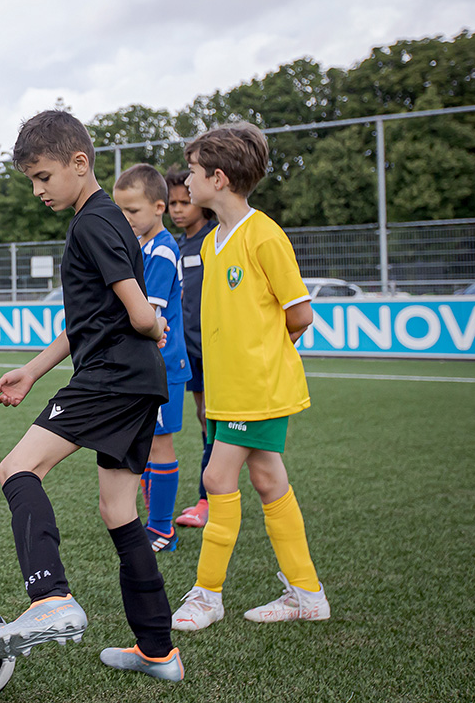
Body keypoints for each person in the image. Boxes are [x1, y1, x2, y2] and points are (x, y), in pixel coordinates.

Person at [0, 111, 183, 683]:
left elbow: (140, 312)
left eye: (44, 176)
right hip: (140, 383)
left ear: (78, 163)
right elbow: (94, 316)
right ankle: (158, 651)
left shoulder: (90, 224)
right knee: (119, 509)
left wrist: (149, 323)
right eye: (32, 181)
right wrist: (35, 370)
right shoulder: (111, 220)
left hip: (112, 376)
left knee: (18, 467)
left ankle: (51, 597)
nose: (39, 190)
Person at [171, 122, 330, 632]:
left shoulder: (263, 235)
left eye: (193, 173)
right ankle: (306, 593)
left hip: (255, 390)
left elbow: (299, 314)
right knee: (267, 479)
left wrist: (261, 358)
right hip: (226, 391)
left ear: (218, 178)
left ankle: (206, 595)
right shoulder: (214, 241)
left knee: (217, 479)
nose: (187, 184)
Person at [113, 164, 191, 553]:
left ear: (159, 207)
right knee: (145, 443)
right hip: (148, 366)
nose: (125, 219)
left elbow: (150, 315)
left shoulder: (161, 249)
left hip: (164, 366)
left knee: (160, 445)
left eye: (133, 211)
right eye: (120, 211)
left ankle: (162, 530)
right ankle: (151, 523)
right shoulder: (142, 247)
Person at [165, 169, 217, 529]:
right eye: (172, 204)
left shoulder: (217, 239)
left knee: (213, 421)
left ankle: (208, 498)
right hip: (188, 349)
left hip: (216, 347)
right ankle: (210, 494)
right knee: (202, 418)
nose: (178, 210)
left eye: (185, 202)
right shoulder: (174, 246)